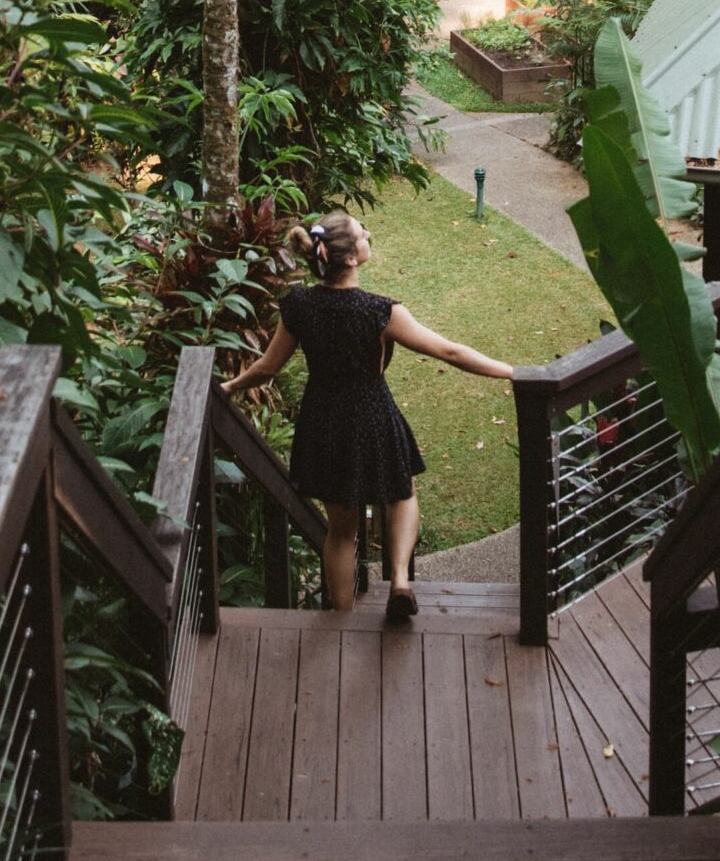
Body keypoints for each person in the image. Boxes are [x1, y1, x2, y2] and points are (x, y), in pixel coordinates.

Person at [220, 210, 515, 621]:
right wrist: (513, 372)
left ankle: (341, 623)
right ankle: (399, 581)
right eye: (363, 234)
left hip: (323, 419)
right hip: (372, 413)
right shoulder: (380, 312)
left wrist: (230, 388)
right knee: (403, 492)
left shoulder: (300, 305)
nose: (368, 234)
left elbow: (268, 367)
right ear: (352, 258)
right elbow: (448, 351)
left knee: (340, 530)